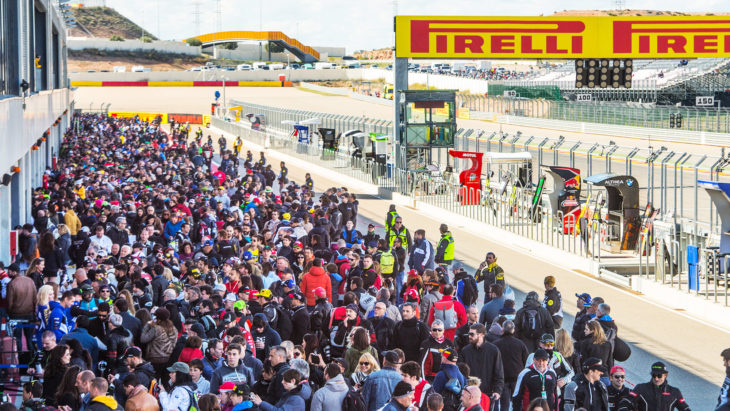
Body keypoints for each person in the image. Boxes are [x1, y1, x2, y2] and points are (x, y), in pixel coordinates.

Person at [460, 323, 504, 405]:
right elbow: (461, 373)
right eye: (469, 334)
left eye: (472, 334)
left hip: (488, 395)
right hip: (470, 395)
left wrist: (498, 391)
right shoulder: (465, 351)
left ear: (481, 335)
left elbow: (499, 373)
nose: (469, 336)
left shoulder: (493, 350)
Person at [494, 320, 528, 411]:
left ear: (502, 330)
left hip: (502, 379)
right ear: (513, 330)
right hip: (517, 378)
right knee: (517, 404)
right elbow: (526, 361)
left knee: (504, 405)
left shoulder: (496, 344)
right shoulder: (520, 344)